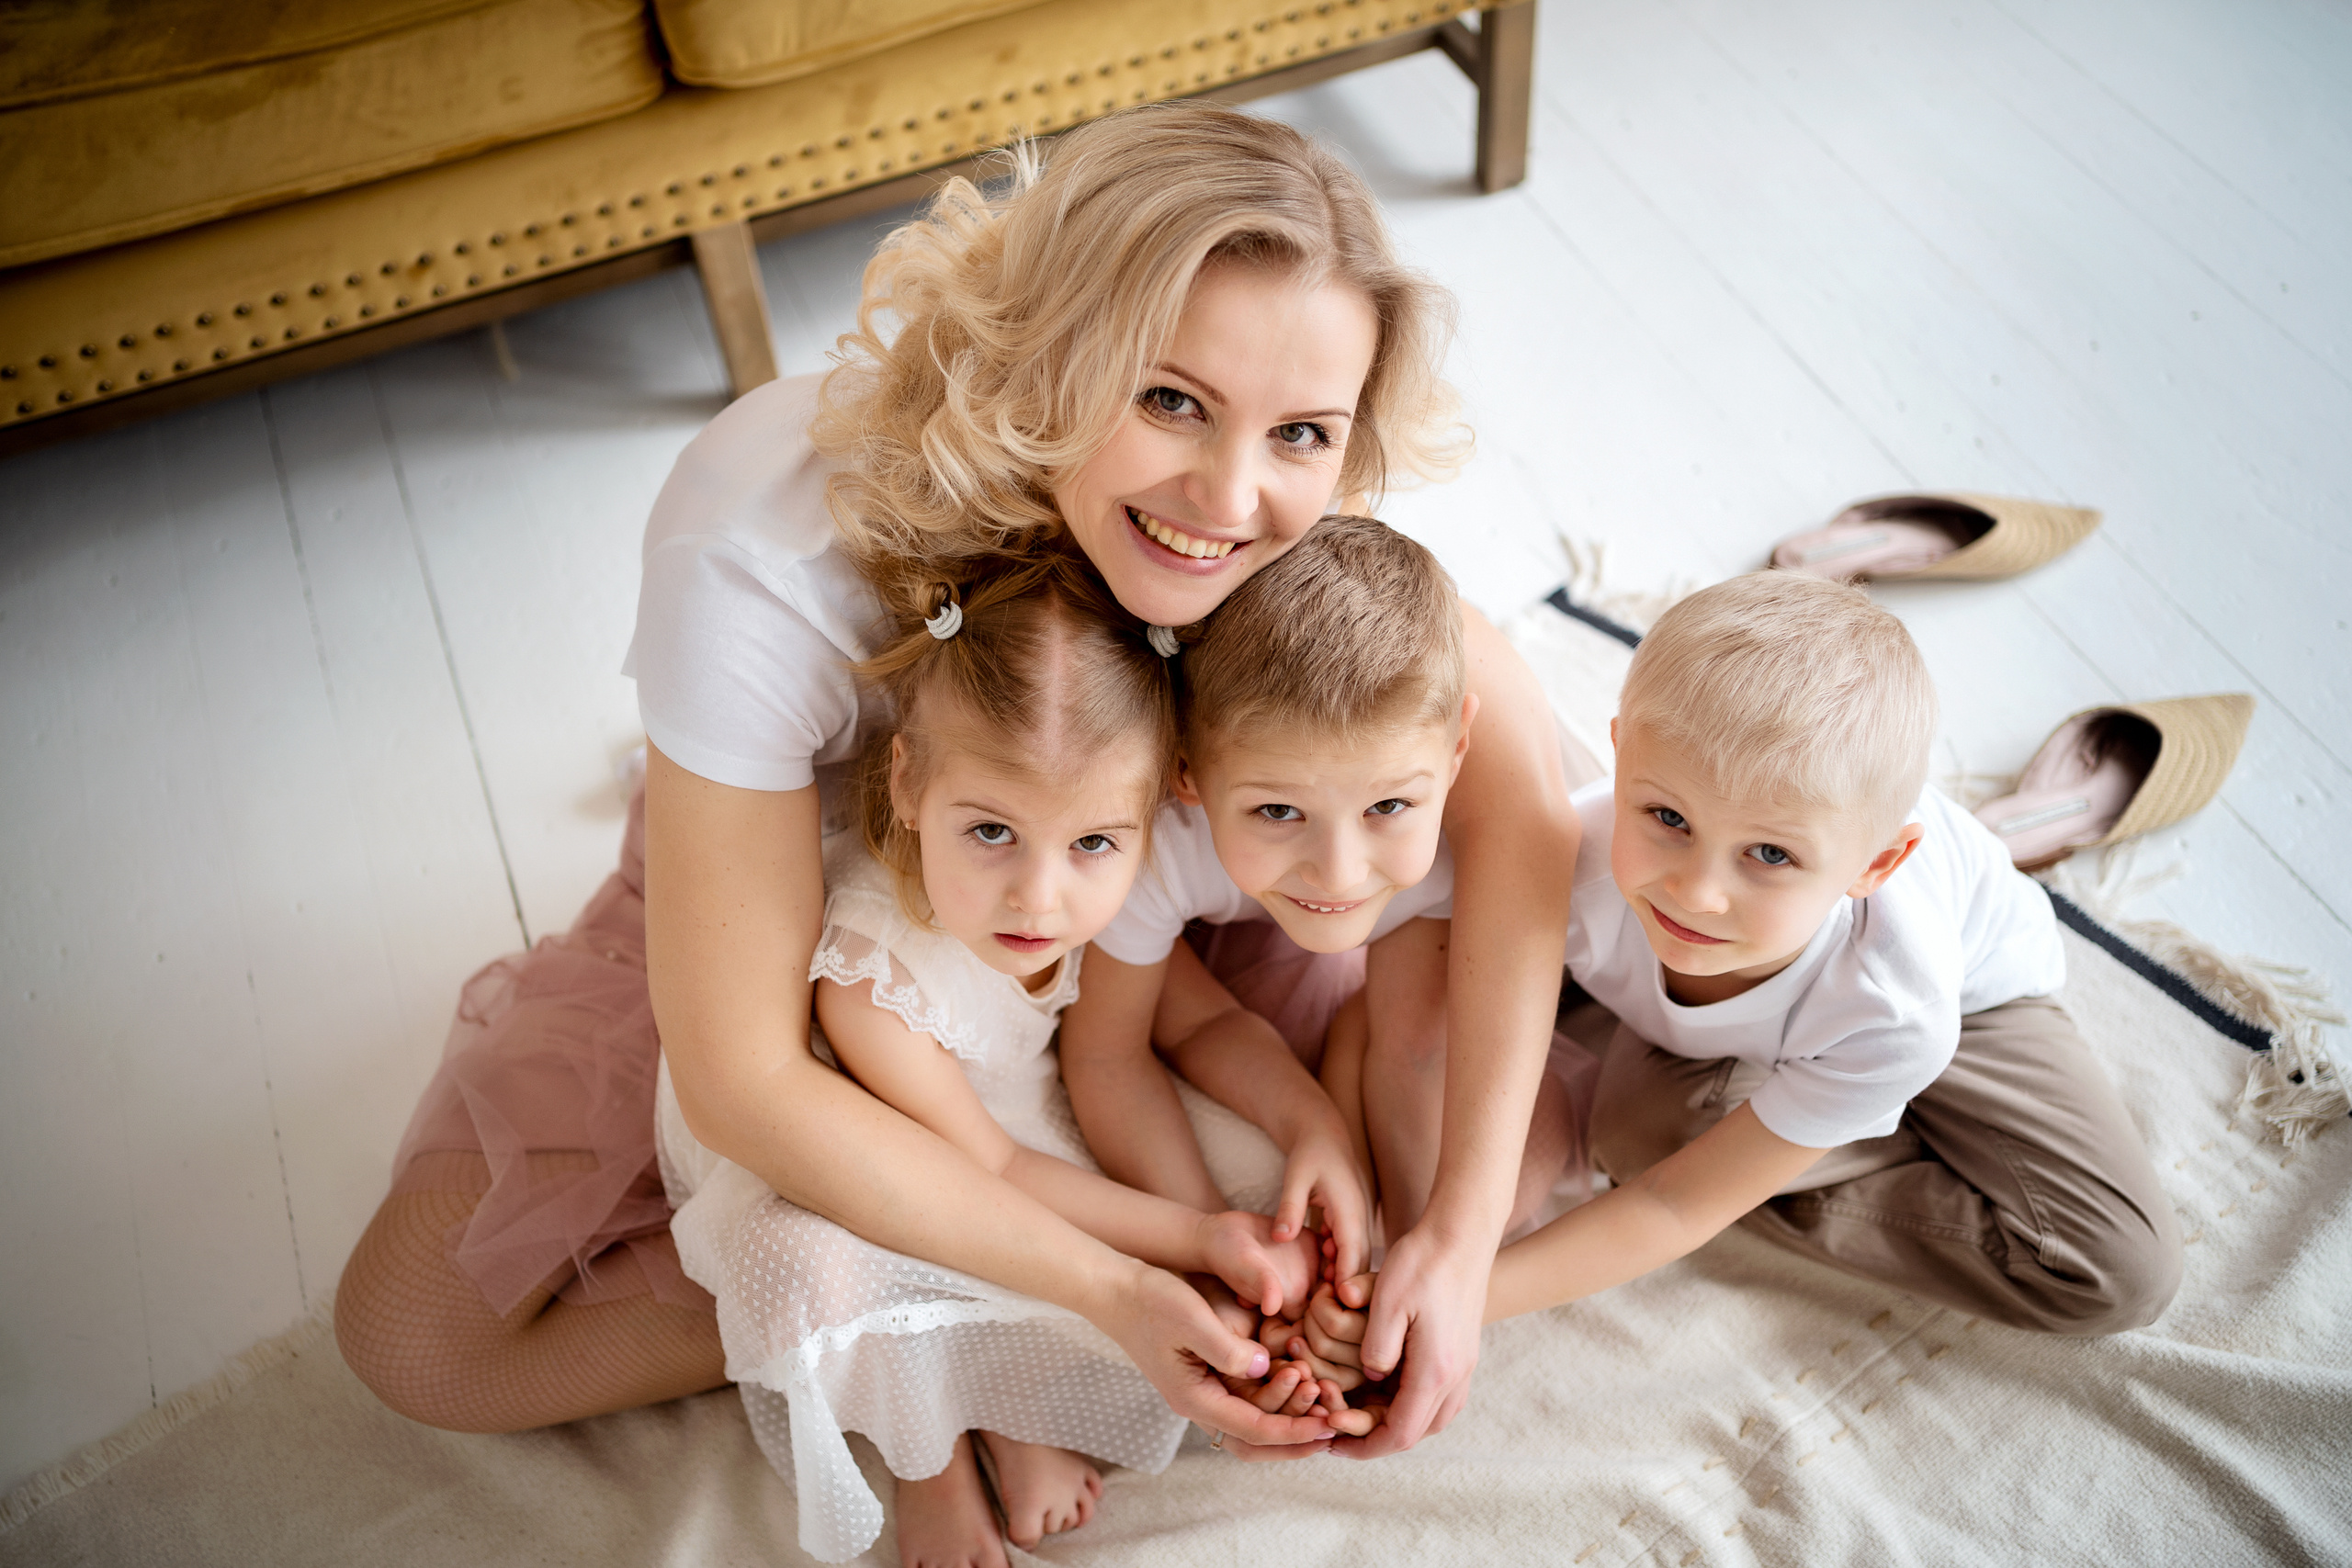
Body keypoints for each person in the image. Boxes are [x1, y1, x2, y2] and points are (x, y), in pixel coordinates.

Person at [334, 99, 1579, 1508]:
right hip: (825, 913)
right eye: (1169, 399)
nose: (1230, 496)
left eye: (1301, 432)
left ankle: (970, 1313)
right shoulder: (763, 542)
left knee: (1407, 1185)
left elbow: (1525, 801)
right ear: (1053, 346)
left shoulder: (1285, 510)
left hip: (1120, 935)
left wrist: (1459, 1241)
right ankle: (916, 1338)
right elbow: (747, 1079)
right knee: (421, 1334)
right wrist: (1102, 1286)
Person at [1288, 572, 2183, 1377]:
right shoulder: (1562, 859)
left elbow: (1677, 1210)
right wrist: (1375, 1235)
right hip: (1765, 1025)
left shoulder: (1896, 1006)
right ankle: (1814, 1115)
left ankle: (1838, 1102)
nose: (1697, 892)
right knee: (1638, 1136)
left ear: (1876, 864)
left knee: (2114, 1270)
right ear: (1621, 757)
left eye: (1769, 854)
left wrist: (1462, 1299)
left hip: (1976, 995)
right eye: (1668, 817)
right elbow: (1387, 1016)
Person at [659, 554, 1329, 1562]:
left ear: (1151, 816)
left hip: (1001, 1124)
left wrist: (1296, 1139)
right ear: (908, 783)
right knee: (836, 1273)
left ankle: (1012, 1407)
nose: (1039, 899)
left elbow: (1196, 1027)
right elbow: (990, 1176)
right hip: (874, 1167)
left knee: (1249, 1185)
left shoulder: (1103, 904)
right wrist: (1195, 1236)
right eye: (990, 831)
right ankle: (930, 1456)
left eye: (1093, 843)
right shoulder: (872, 980)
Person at [1062, 516, 1589, 1328]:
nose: (1339, 872)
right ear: (1186, 773)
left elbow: (1417, 1050)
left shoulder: (1466, 842)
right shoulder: (1156, 843)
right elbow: (1105, 1056)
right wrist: (1221, 1247)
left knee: (1494, 1145)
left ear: (1458, 748)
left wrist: (1404, 1273)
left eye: (1388, 806)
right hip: (1248, 956)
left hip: (1441, 962)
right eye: (1278, 811)